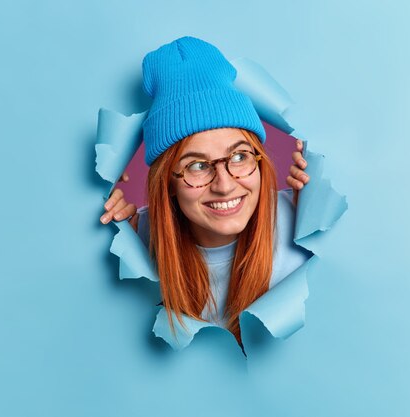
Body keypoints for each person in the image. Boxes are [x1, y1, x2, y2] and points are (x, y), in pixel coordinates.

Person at [99, 37, 310, 344]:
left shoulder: (304, 223)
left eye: (239, 157)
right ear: (168, 181)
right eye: (197, 166)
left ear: (260, 160)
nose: (224, 185)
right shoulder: (138, 245)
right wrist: (118, 234)